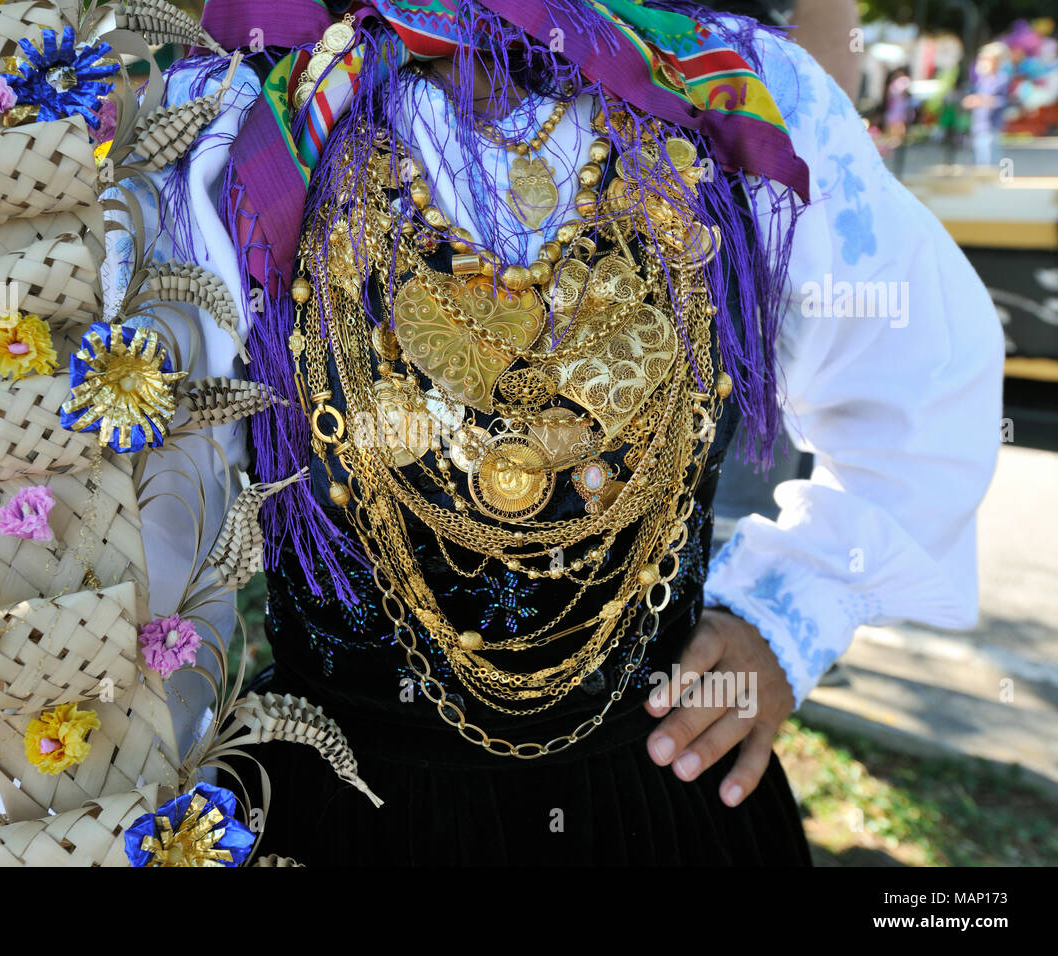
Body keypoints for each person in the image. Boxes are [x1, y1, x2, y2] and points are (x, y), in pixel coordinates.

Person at [149, 0, 1002, 865]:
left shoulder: (732, 85)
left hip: (661, 809)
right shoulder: (239, 122)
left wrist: (788, 622)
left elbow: (923, 379)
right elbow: (144, 520)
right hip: (333, 810)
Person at [963, 42, 1012, 167]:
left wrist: (982, 101)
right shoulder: (981, 80)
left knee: (990, 157)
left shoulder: (1001, 79)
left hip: (991, 124)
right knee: (979, 156)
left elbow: (1003, 101)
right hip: (978, 123)